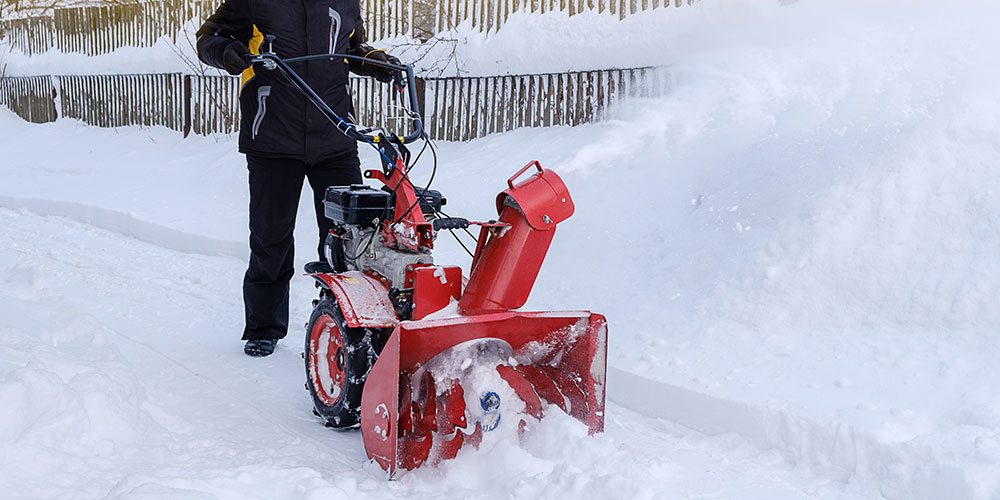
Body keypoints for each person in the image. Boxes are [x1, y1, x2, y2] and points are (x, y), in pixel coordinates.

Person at [196, 0, 401, 357]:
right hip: (273, 136)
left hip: (334, 136)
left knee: (353, 239)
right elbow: (207, 38)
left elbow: (351, 50)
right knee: (270, 237)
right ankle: (264, 327)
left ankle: (346, 323)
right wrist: (228, 53)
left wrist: (377, 62)